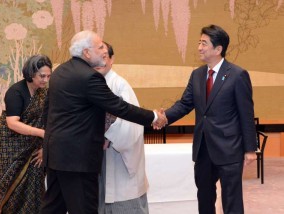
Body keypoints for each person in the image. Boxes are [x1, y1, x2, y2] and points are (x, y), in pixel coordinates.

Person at [40, 30, 166, 214]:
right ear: (86, 53)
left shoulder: (61, 71)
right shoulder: (89, 77)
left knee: (53, 207)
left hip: (56, 154)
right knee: (84, 209)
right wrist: (154, 117)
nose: (104, 51)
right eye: (99, 47)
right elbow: (119, 107)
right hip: (78, 159)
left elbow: (48, 111)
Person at [162, 25, 257, 214]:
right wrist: (163, 118)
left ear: (218, 49)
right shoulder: (197, 75)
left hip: (229, 149)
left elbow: (246, 114)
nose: (199, 47)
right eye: (199, 42)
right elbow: (184, 104)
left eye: (204, 43)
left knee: (232, 201)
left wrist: (250, 149)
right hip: (203, 149)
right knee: (204, 198)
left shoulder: (237, 75)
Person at [0, 54, 52, 214]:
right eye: (42, 76)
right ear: (31, 73)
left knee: (35, 187)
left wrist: (45, 147)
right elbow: (12, 123)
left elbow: (48, 120)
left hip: (33, 146)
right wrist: (42, 134)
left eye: (48, 76)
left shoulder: (44, 93)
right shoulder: (16, 91)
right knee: (12, 189)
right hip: (8, 146)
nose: (45, 80)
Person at [95, 42, 149, 214]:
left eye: (104, 57)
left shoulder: (120, 85)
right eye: (97, 57)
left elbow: (132, 126)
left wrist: (108, 136)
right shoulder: (91, 85)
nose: (100, 62)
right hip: (97, 159)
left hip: (117, 159)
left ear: (112, 60)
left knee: (123, 203)